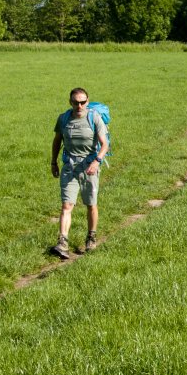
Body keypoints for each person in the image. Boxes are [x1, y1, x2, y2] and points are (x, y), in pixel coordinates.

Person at [50, 87, 109, 258]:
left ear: (87, 102)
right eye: (76, 102)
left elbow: (104, 144)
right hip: (69, 166)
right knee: (67, 205)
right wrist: (53, 162)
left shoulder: (94, 118)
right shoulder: (64, 119)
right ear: (70, 102)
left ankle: (91, 237)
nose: (79, 105)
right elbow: (56, 141)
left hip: (89, 166)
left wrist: (97, 162)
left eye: (83, 102)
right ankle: (62, 242)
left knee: (90, 204)